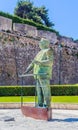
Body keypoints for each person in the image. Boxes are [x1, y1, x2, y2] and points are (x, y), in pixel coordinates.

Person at [23, 38, 54, 108]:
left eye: (40, 43)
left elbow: (50, 62)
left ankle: (47, 104)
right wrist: (27, 70)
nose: (39, 44)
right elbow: (33, 63)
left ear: (45, 43)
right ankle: (40, 104)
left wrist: (39, 63)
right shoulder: (39, 52)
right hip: (37, 75)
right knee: (39, 91)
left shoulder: (48, 50)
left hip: (44, 74)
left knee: (45, 90)